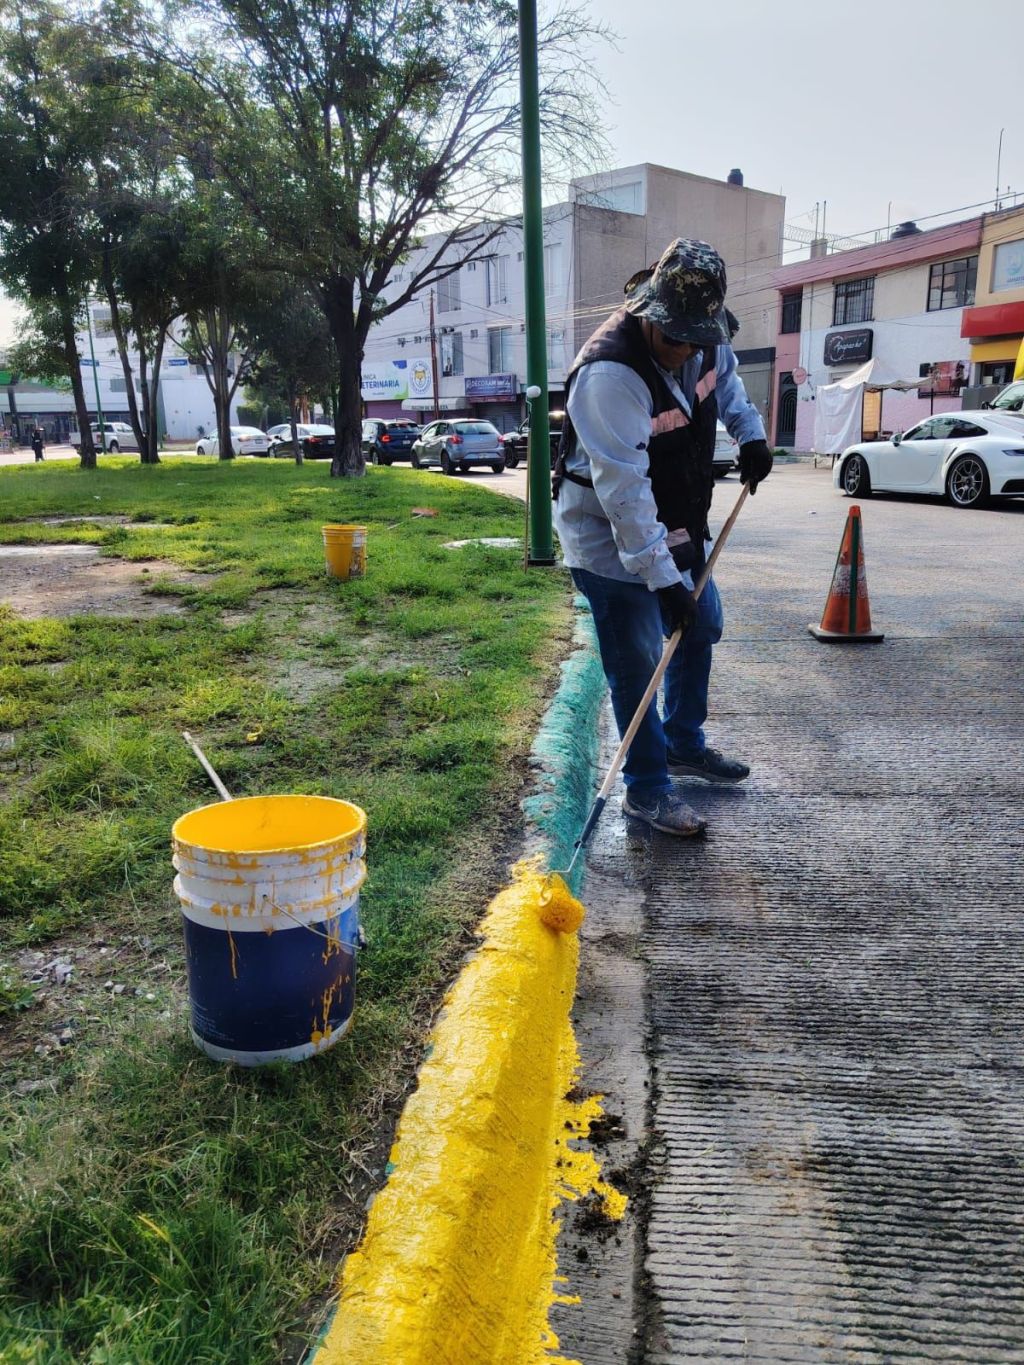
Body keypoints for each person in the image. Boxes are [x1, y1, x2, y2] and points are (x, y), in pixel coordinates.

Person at [553, 237, 774, 837]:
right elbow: (624, 495)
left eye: (694, 336)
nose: (683, 348)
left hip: (676, 514)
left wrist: (749, 435)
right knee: (637, 660)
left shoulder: (705, 343)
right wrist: (665, 580)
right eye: (672, 334)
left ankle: (681, 743)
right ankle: (646, 788)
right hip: (605, 533)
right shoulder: (609, 376)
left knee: (699, 624)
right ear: (649, 314)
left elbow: (727, 388)